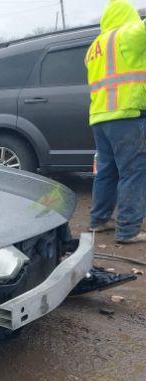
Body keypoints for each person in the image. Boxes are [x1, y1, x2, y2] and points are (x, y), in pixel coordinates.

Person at [86, 0, 146, 243]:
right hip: (126, 115)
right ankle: (129, 230)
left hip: (100, 117)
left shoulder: (94, 46)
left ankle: (99, 220)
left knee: (107, 172)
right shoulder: (128, 35)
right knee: (133, 172)